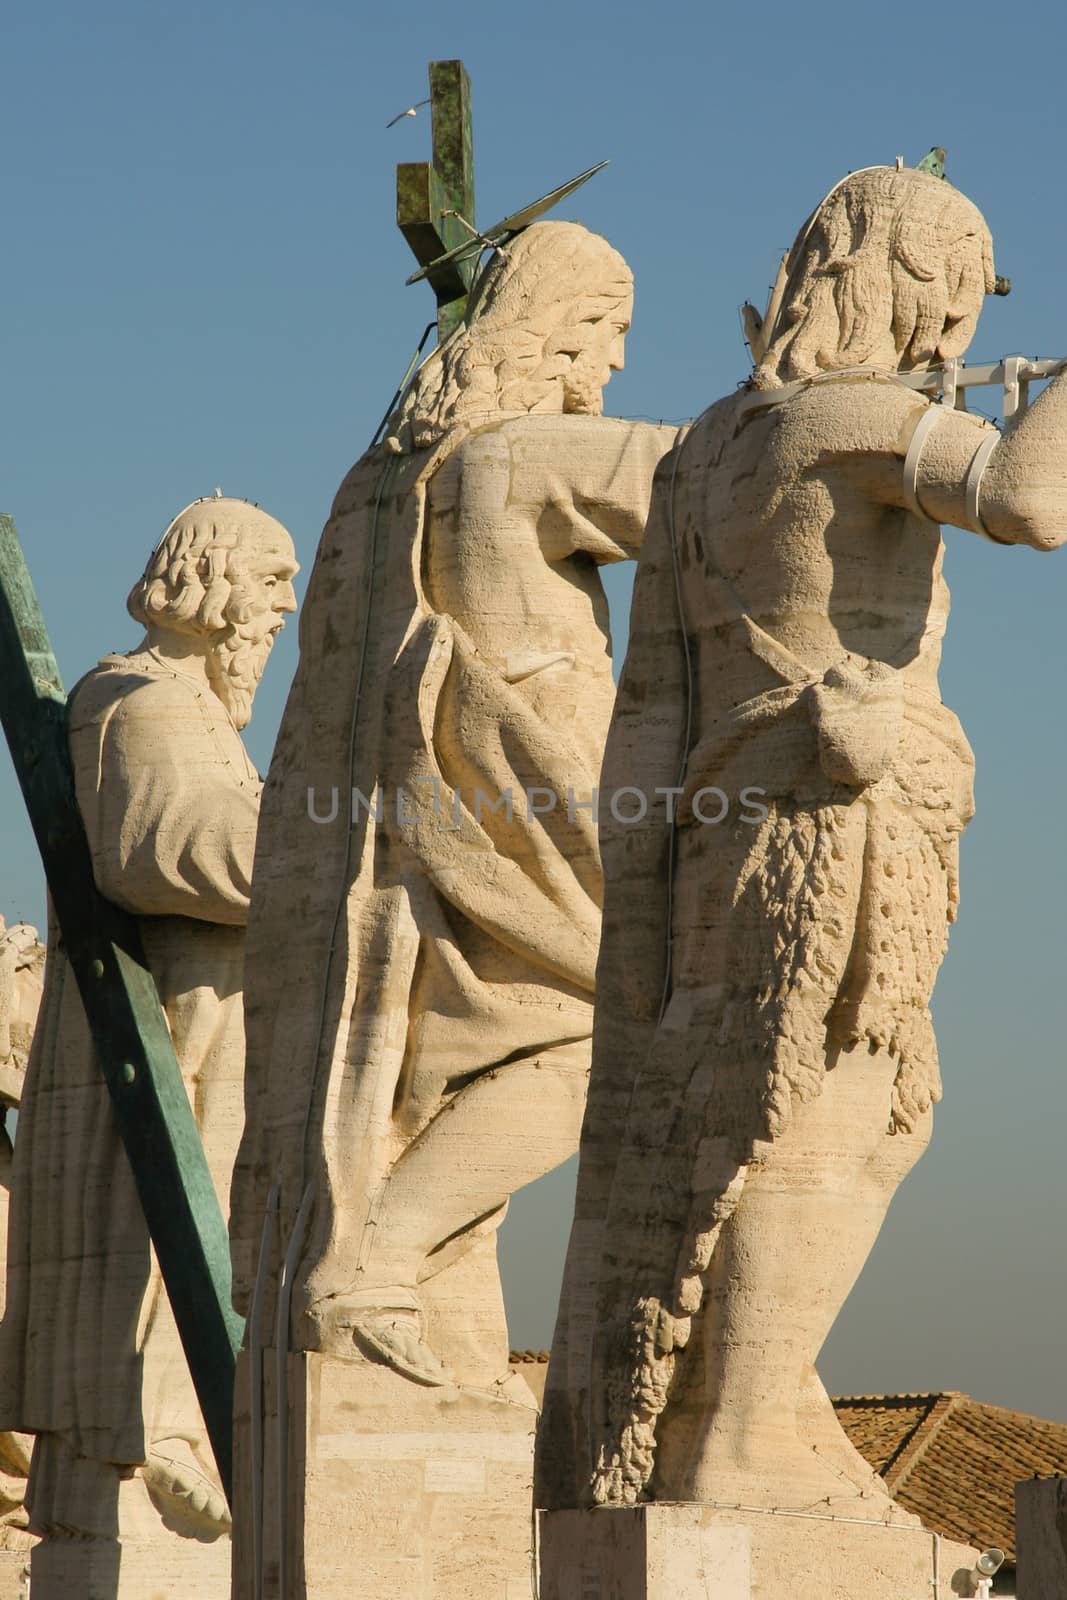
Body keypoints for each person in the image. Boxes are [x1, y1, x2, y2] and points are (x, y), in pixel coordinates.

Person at [537, 163, 1067, 1516]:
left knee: (817, 1115)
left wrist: (645, 915)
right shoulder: (856, 416)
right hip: (845, 810)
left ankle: (734, 1411)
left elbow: (647, 710)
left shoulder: (700, 450)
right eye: (948, 291)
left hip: (719, 819)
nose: (952, 331)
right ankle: (741, 1436)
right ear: (905, 282)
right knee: (827, 1115)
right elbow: (1024, 501)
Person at [230, 221, 678, 1389]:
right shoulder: (524, 454)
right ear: (561, 325)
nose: (617, 364)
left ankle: (392, 1265)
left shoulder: (374, 481)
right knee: (615, 1029)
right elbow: (720, 483)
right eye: (611, 332)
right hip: (520, 800)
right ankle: (371, 1261)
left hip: (384, 825)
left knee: (436, 1074)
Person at [0, 498, 297, 1584]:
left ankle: (166, 1424)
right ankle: (157, 1423)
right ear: (214, 586)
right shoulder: (139, 699)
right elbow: (162, 850)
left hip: (216, 1020)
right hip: (172, 1026)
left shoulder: (197, 714)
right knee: (170, 1225)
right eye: (271, 588)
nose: (281, 615)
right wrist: (330, 842)